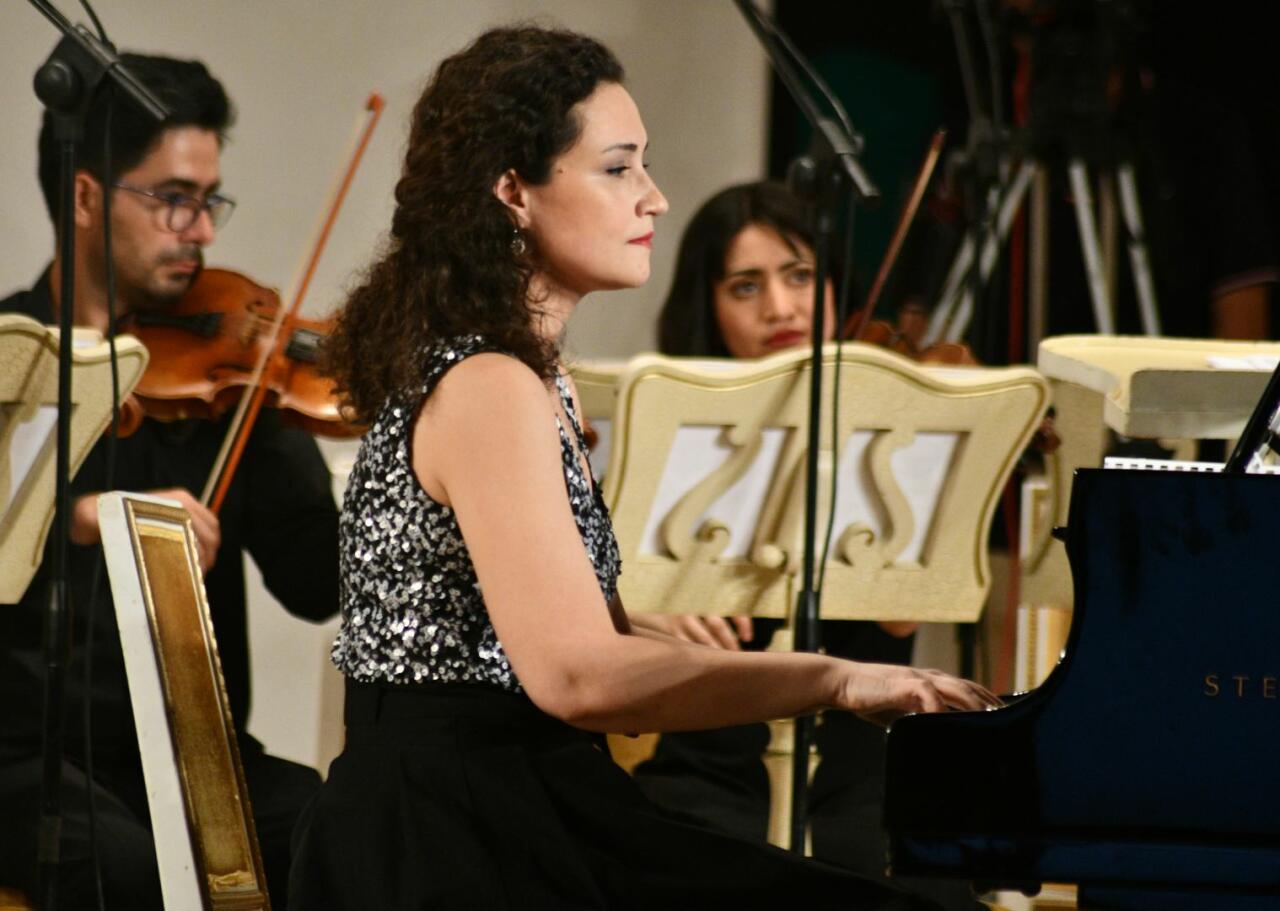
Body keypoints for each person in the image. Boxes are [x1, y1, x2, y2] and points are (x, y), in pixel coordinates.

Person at [290, 25, 997, 910]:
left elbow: (582, 652)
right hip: (450, 837)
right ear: (513, 190)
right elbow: (580, 679)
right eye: (619, 168)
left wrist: (714, 645)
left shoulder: (531, 377)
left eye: (645, 166)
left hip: (513, 803)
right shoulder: (488, 384)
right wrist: (836, 678)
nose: (654, 198)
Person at [0, 53, 339, 908]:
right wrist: (83, 515)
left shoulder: (225, 380)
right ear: (85, 197)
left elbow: (318, 584)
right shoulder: (11, 362)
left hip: (191, 754)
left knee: (339, 829)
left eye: (210, 200)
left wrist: (273, 398)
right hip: (23, 754)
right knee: (122, 869)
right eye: (174, 199)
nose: (203, 232)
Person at [641, 180, 979, 910]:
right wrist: (644, 606)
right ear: (707, 304)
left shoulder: (892, 430)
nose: (781, 308)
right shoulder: (663, 432)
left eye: (800, 276)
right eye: (746, 286)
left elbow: (898, 618)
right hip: (708, 776)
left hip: (860, 782)